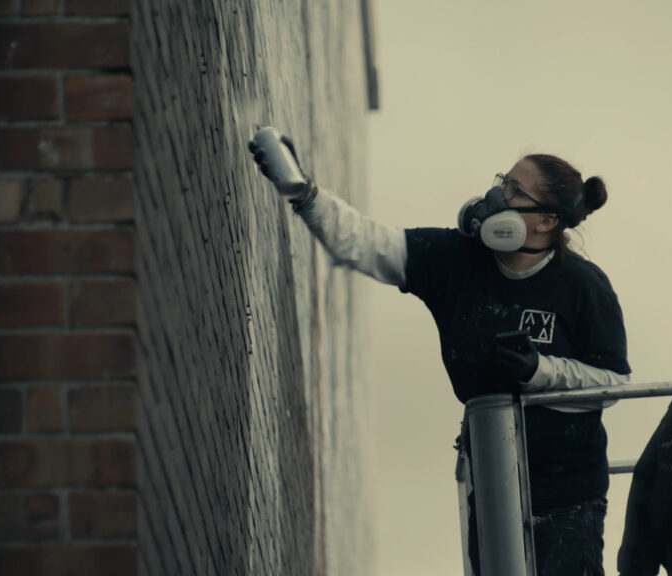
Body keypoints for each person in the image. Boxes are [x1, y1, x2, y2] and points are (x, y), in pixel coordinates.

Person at [248, 127, 631, 576]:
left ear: (546, 221)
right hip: (492, 483)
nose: (495, 196)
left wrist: (538, 371)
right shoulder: (456, 259)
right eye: (502, 181)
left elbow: (614, 383)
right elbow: (366, 242)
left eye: (513, 190)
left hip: (571, 499)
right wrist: (304, 194)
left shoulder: (583, 286)